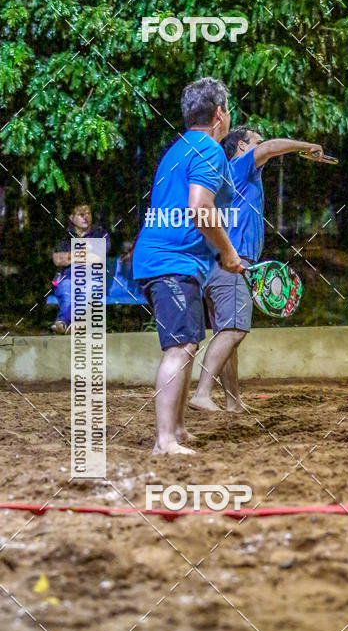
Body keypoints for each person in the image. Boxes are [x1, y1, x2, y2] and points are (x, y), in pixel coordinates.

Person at [133, 77, 242, 455]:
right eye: (228, 108)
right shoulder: (210, 150)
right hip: (170, 262)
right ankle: (164, 440)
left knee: (188, 344)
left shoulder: (178, 148)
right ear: (219, 113)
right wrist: (228, 252)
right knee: (180, 347)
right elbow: (199, 209)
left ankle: (177, 431)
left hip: (167, 259)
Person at [190, 129, 323, 413]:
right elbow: (274, 147)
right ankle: (202, 392)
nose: (260, 147)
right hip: (233, 264)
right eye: (255, 142)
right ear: (241, 145)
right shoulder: (240, 166)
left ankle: (233, 402)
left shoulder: (221, 177)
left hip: (213, 266)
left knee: (227, 334)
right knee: (234, 331)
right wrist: (308, 145)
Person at [51, 204, 109, 334]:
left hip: (93, 278)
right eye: (81, 214)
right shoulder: (64, 236)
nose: (85, 217)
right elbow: (58, 260)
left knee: (86, 290)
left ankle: (63, 322)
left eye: (88, 213)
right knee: (67, 291)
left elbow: (97, 259)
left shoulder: (100, 234)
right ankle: (74, 323)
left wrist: (71, 256)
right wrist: (86, 253)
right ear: (71, 218)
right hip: (67, 278)